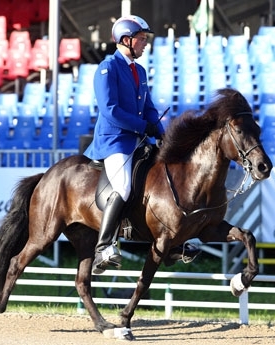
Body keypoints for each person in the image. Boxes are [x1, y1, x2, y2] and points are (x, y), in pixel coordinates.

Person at [84, 15, 165, 274]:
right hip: (114, 140)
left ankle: (174, 243)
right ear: (126, 39)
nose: (145, 44)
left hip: (137, 140)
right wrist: (143, 127)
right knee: (123, 185)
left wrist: (161, 132)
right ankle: (103, 247)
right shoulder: (107, 68)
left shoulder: (139, 71)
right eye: (141, 39)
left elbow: (150, 108)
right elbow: (110, 111)